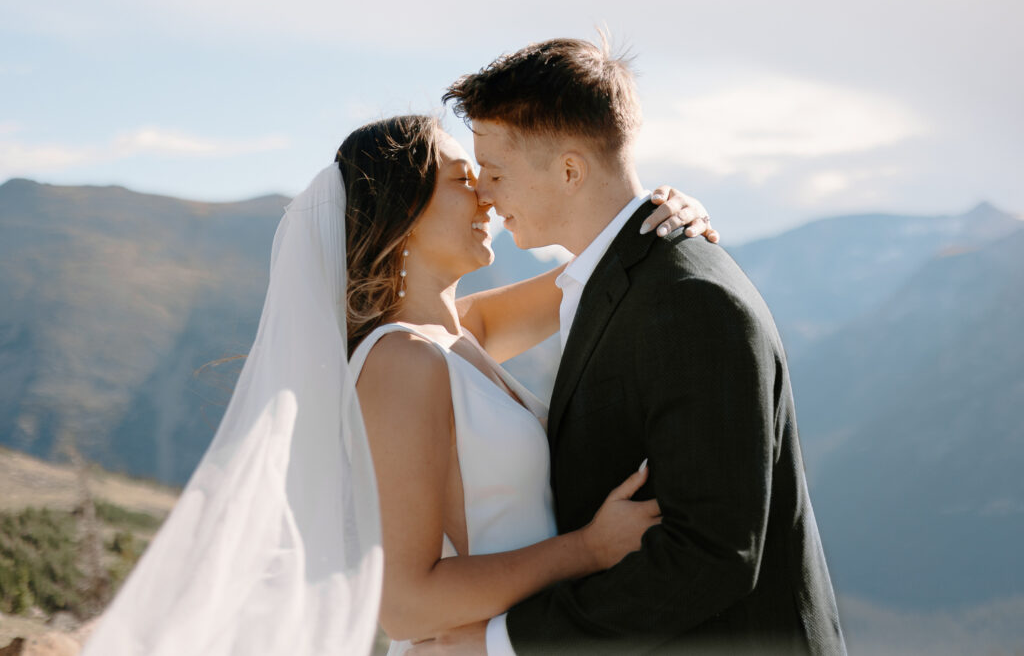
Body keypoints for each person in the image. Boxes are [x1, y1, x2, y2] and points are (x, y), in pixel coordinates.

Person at [80, 112, 714, 656]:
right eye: (464, 181)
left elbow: (595, 277)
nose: (489, 198)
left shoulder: (456, 334)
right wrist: (590, 549)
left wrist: (656, 216)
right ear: (403, 214)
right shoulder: (401, 363)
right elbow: (406, 605)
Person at [421, 38, 847, 655]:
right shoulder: (613, 279)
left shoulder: (689, 299)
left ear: (569, 170)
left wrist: (503, 642)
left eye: (495, 171)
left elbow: (712, 553)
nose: (484, 194)